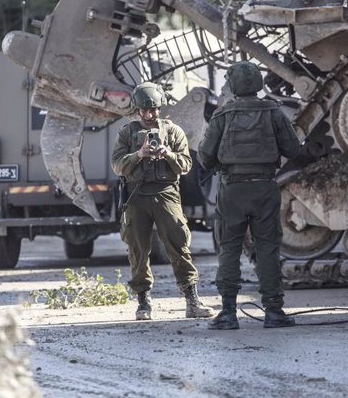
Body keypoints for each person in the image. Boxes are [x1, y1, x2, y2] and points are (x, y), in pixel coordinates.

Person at [197, 61, 300, 329]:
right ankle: (274, 312)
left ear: (232, 85)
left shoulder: (222, 115)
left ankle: (228, 314)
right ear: (258, 83)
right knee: (267, 248)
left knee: (229, 248)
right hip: (265, 188)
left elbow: (205, 158)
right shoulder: (274, 112)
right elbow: (294, 149)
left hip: (232, 190)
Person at [111, 82, 215, 321]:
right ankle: (143, 302)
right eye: (145, 111)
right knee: (138, 250)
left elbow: (187, 165)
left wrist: (168, 154)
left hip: (166, 193)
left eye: (154, 110)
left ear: (160, 108)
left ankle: (192, 300)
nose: (150, 115)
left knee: (179, 246)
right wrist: (139, 154)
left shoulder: (173, 131)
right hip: (136, 195)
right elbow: (117, 165)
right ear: (137, 110)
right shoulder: (127, 133)